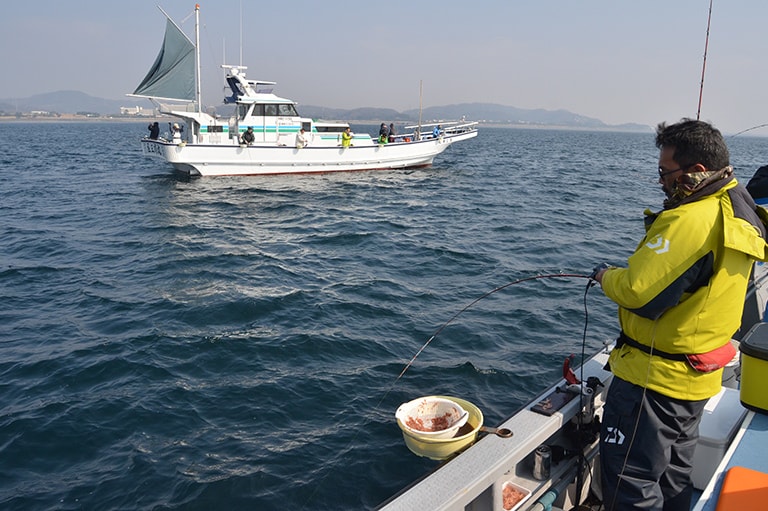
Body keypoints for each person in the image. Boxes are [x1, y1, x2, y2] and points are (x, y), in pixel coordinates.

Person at [592, 119, 768, 511]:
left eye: (665, 172)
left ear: (697, 172)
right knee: (674, 476)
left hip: (652, 382)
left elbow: (641, 294)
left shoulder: (690, 219)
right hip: (695, 380)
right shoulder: (740, 208)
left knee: (631, 481)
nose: (661, 182)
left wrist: (606, 277)